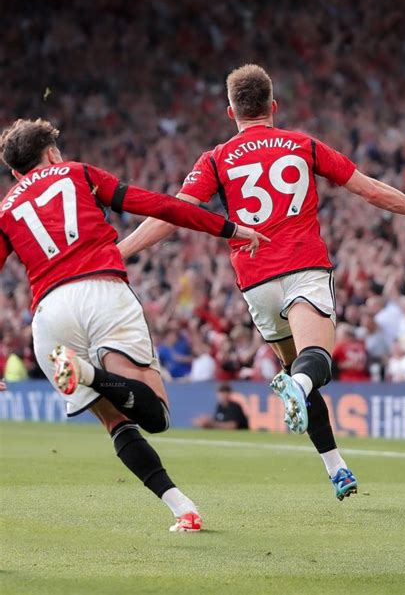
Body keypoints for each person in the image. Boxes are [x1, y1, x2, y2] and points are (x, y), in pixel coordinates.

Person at [119, 65, 405, 501]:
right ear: (273, 106)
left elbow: (174, 213)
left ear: (231, 111)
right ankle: (301, 392)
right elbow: (369, 190)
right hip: (302, 268)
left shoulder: (215, 158)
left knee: (298, 369)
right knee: (316, 361)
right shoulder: (302, 144)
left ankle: (336, 467)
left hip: (256, 283)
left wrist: (120, 252)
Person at [0, 117, 266, 532]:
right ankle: (89, 372)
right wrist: (228, 227)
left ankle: (183, 509)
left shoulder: (6, 208)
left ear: (16, 173)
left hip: (49, 316)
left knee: (116, 422)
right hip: (101, 292)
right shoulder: (78, 172)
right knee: (156, 414)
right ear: (51, 154)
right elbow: (159, 206)